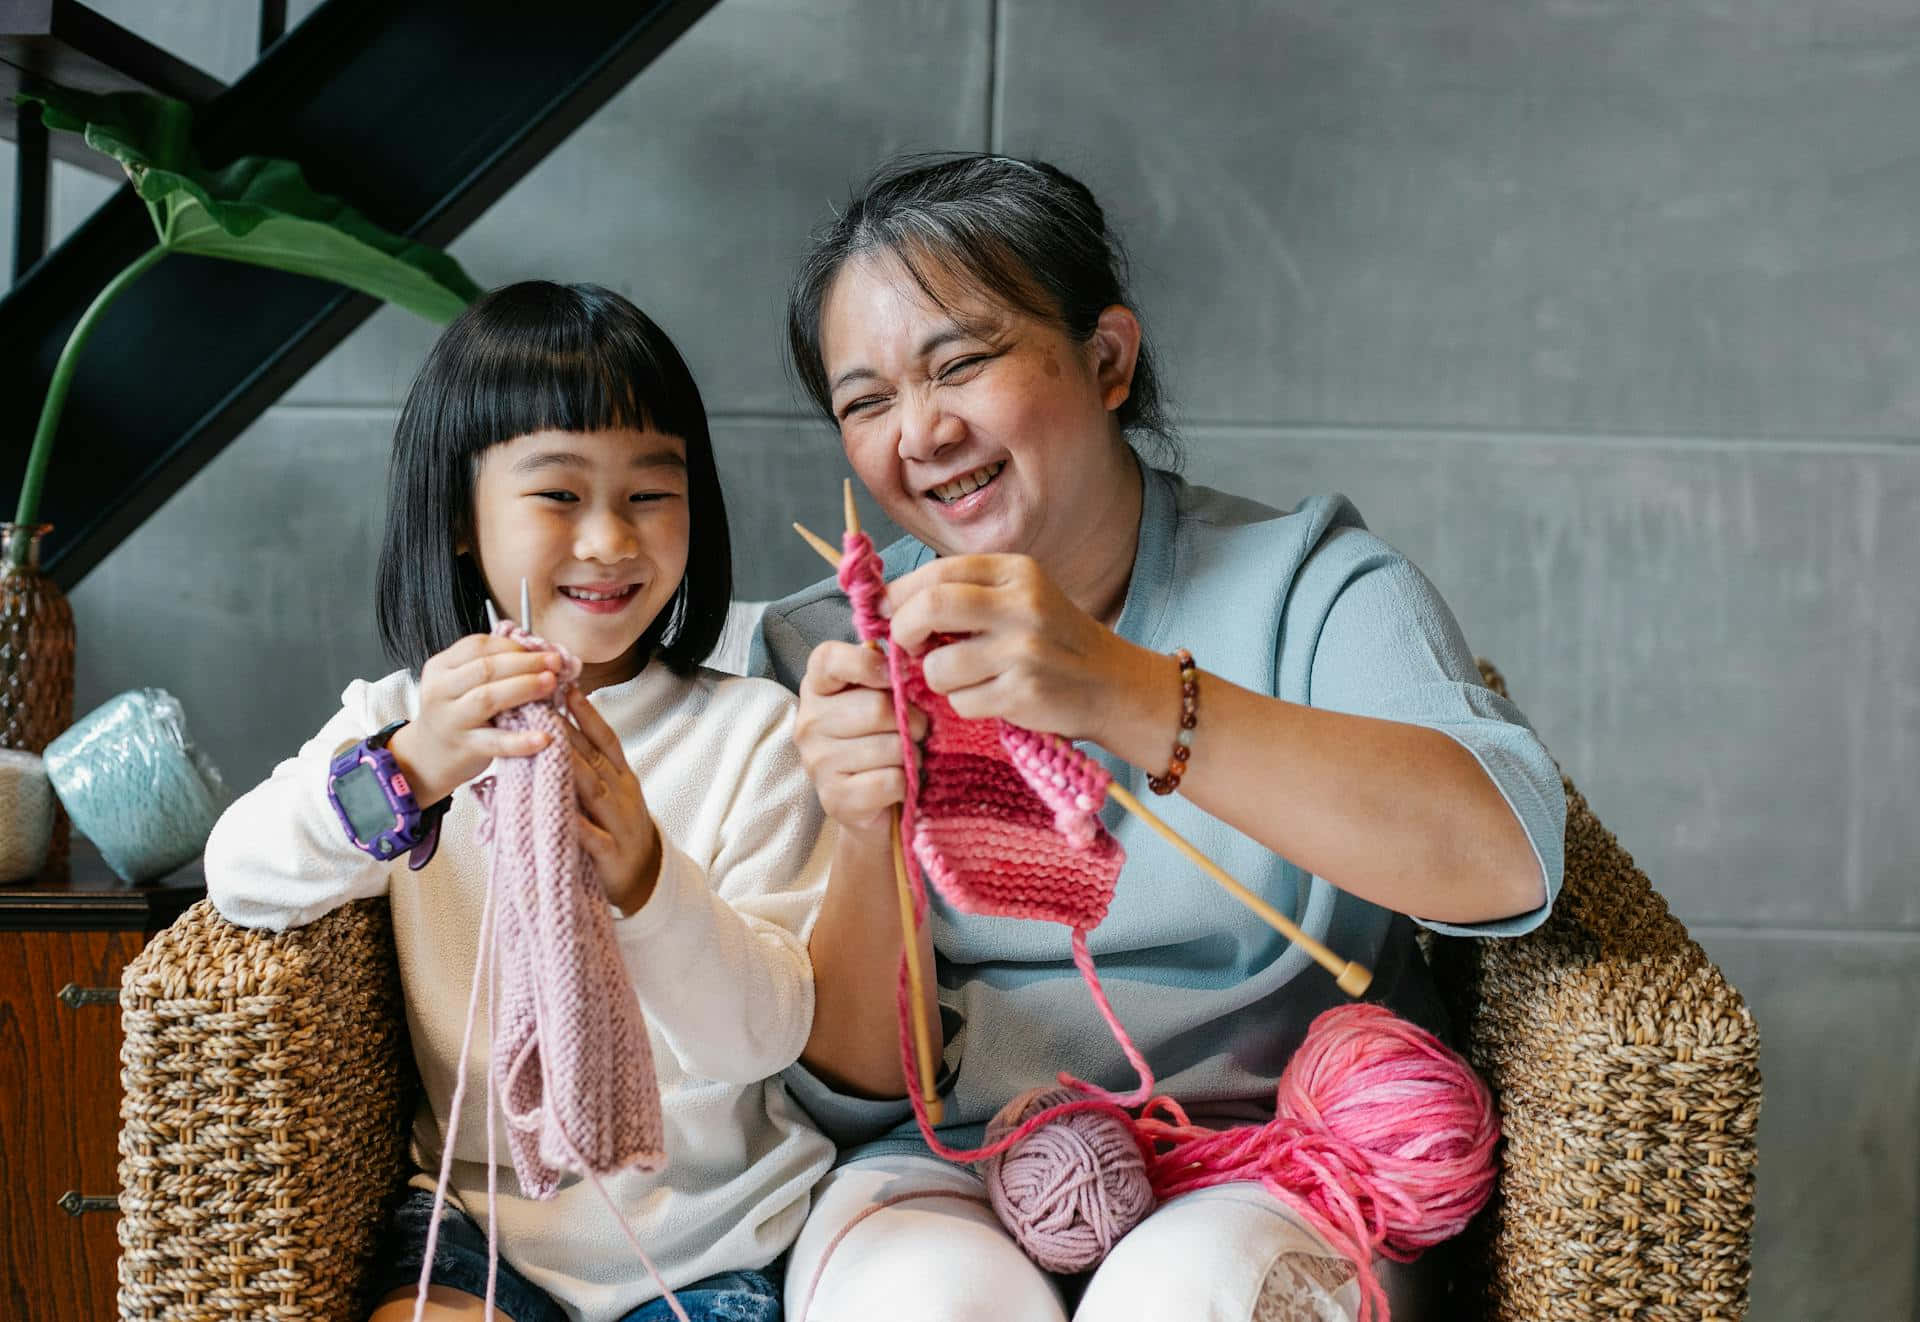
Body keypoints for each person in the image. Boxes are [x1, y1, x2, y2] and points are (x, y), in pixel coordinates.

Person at [752, 154, 1567, 1322]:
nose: (922, 431)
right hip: (950, 1170)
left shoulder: (1313, 586)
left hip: (1275, 1162)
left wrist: (1131, 692)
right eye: (866, 400)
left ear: (1108, 358)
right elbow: (849, 1090)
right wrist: (861, 825)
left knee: (1182, 1295)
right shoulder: (822, 652)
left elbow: (1508, 858)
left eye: (962, 362)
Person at [204, 282, 835, 1322]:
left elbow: (764, 1035)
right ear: (462, 516)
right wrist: (410, 767)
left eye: (649, 492)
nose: (608, 541)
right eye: (557, 495)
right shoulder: (408, 717)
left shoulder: (752, 733)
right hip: (476, 1223)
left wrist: (647, 878)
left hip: (708, 1239)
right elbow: (241, 872)